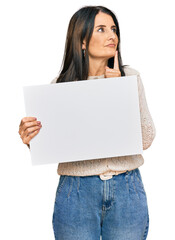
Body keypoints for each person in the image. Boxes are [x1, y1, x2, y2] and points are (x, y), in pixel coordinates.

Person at [18, 5, 156, 240]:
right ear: (82, 41)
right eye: (101, 29)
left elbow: (146, 138)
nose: (112, 36)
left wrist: (119, 92)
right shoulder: (60, 87)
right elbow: (57, 146)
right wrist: (32, 140)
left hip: (127, 189)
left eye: (113, 29)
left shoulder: (130, 77)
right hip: (77, 191)